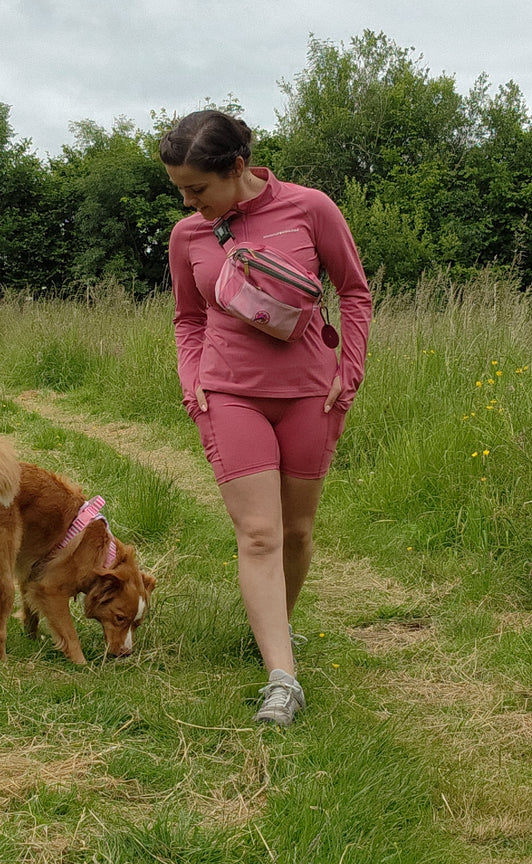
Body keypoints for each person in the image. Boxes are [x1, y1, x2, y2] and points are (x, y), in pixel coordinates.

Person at [161, 110, 371, 725]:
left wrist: (348, 371)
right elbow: (188, 319)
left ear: (237, 167)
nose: (189, 203)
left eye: (198, 188)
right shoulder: (188, 235)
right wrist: (192, 381)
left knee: (297, 531)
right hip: (229, 394)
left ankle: (275, 630)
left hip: (310, 394)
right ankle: (282, 677)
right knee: (258, 533)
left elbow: (354, 291)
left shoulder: (311, 208)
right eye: (180, 190)